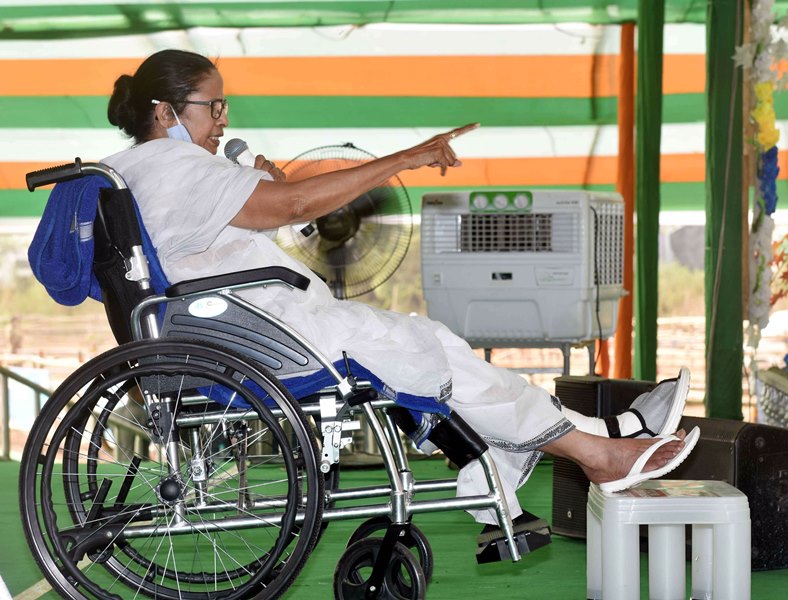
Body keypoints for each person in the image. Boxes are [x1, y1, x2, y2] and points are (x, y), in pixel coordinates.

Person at [103, 49, 698, 524]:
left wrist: (249, 185)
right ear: (166, 111)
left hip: (243, 321)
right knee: (426, 347)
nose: (223, 121)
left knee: (431, 343)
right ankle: (597, 448)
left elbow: (251, 218)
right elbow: (298, 204)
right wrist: (403, 159)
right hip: (258, 329)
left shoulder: (143, 170)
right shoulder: (173, 167)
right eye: (216, 107)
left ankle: (597, 439)